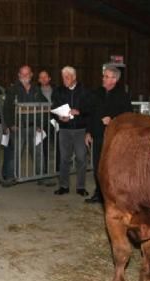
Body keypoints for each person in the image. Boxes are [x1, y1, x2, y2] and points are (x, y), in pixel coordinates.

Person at [85, 65, 132, 203]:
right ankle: (98, 193)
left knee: (111, 167)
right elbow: (91, 114)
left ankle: (112, 195)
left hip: (114, 138)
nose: (103, 79)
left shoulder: (122, 96)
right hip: (98, 136)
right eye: (104, 76)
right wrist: (88, 132)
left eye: (106, 76)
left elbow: (127, 117)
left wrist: (113, 120)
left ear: (114, 79)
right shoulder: (97, 93)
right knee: (98, 166)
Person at [2, 65, 47, 187]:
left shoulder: (36, 89)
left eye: (27, 74)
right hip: (19, 127)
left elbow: (43, 106)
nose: (25, 76)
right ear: (19, 75)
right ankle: (11, 177)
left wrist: (40, 124)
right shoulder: (12, 89)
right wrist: (11, 124)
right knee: (15, 153)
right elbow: (7, 108)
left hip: (33, 127)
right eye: (22, 74)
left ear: (31, 75)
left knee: (38, 152)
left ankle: (41, 176)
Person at [52, 66, 93, 196]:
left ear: (74, 77)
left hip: (80, 129)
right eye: (63, 77)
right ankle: (64, 186)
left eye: (67, 77)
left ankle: (81, 187)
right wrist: (59, 117)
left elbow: (90, 110)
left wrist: (79, 112)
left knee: (81, 158)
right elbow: (54, 108)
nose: (64, 80)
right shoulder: (58, 91)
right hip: (64, 130)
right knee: (64, 158)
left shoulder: (85, 91)